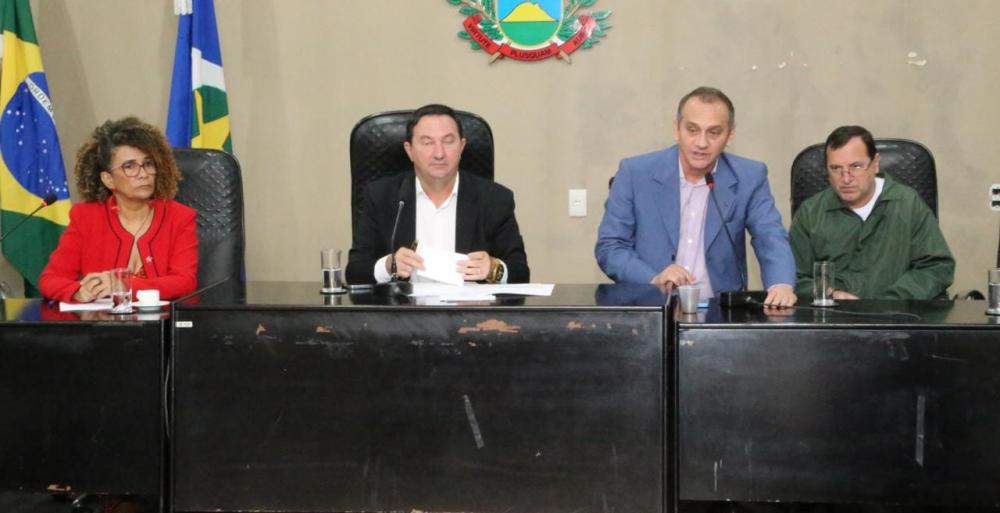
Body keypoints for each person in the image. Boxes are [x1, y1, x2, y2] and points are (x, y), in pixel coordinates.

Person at [595, 86, 796, 306]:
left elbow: (770, 236)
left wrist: (781, 284)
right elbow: (611, 247)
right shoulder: (635, 173)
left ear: (730, 135)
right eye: (692, 130)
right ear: (676, 129)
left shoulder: (749, 176)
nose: (701, 143)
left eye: (714, 132)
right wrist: (654, 278)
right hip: (651, 307)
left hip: (720, 311)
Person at [346, 103, 529, 284]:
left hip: (470, 304)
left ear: (461, 147)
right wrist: (388, 265)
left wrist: (493, 268)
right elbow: (355, 272)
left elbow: (520, 273)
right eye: (427, 142)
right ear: (409, 150)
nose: (439, 153)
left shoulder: (495, 199)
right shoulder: (381, 197)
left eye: (448, 141)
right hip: (406, 304)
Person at [39, 117, 198, 302]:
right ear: (108, 179)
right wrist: (78, 291)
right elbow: (50, 279)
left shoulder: (180, 217)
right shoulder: (85, 217)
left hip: (162, 320)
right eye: (129, 166)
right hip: (103, 320)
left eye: (148, 164)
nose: (143, 174)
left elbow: (185, 281)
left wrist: (124, 286)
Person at [789, 125, 954, 300]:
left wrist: (890, 301)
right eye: (836, 168)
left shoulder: (907, 204)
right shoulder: (810, 213)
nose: (846, 179)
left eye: (856, 166)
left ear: (875, 164)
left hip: (898, 312)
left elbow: (937, 268)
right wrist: (832, 295)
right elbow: (793, 278)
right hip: (835, 313)